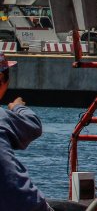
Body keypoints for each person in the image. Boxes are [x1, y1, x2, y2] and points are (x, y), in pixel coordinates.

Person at [0, 52, 86, 211]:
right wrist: (18, 107)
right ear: (2, 81)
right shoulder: (3, 116)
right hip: (25, 204)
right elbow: (33, 125)